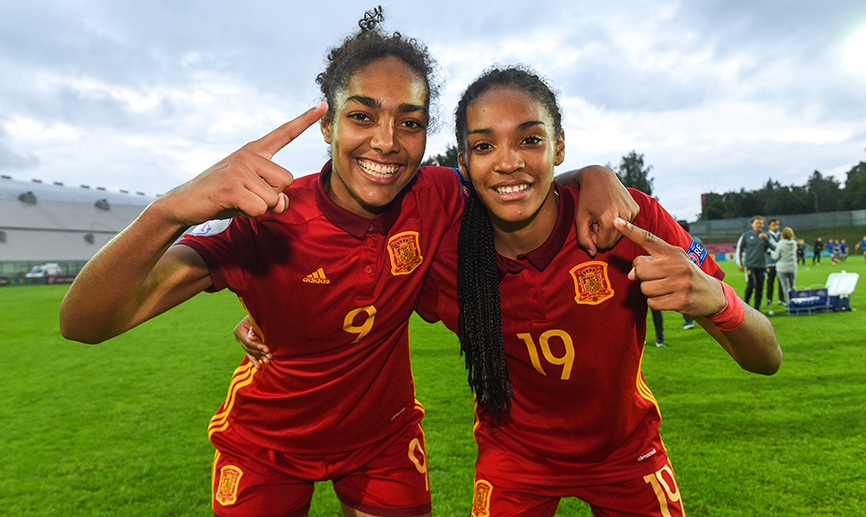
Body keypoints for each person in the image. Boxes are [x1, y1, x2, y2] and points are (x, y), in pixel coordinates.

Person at [59, 9, 635, 517]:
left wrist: (591, 176)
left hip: (383, 442)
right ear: (328, 126)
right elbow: (84, 324)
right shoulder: (267, 219)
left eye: (409, 122)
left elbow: (513, 183)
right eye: (362, 116)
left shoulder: (435, 195)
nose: (386, 140)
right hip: (267, 443)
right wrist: (169, 211)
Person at [236, 66, 782, 516]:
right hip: (513, 461)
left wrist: (717, 299)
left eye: (530, 139)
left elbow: (767, 357)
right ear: (465, 164)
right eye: (483, 145)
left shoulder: (628, 222)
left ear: (559, 146)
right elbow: (353, 280)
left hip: (629, 453)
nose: (509, 160)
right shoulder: (447, 251)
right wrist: (271, 315)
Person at [735, 216, 775, 310]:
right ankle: (746, 304)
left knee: (760, 286)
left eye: (761, 223)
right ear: (752, 224)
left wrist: (766, 240)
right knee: (751, 283)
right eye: (757, 223)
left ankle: (757, 308)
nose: (759, 225)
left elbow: (775, 248)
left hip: (762, 265)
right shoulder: (746, 235)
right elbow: (739, 249)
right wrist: (739, 263)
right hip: (750, 265)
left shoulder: (766, 236)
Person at [679, 220, 701, 329]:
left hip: (684, 274)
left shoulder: (678, 239)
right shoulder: (697, 240)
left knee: (685, 299)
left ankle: (688, 321)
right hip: (699, 274)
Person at [770, 227, 798, 306]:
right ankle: (795, 300)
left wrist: (771, 252)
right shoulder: (794, 243)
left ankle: (789, 303)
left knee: (785, 287)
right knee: (792, 285)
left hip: (782, 267)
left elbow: (776, 256)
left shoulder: (780, 243)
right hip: (792, 266)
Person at [764, 218, 781, 306]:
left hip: (781, 262)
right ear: (769, 226)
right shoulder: (766, 236)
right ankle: (769, 299)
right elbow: (766, 248)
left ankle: (782, 299)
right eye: (774, 225)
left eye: (777, 224)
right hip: (770, 262)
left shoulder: (781, 235)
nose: (776, 227)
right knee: (770, 281)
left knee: (781, 281)